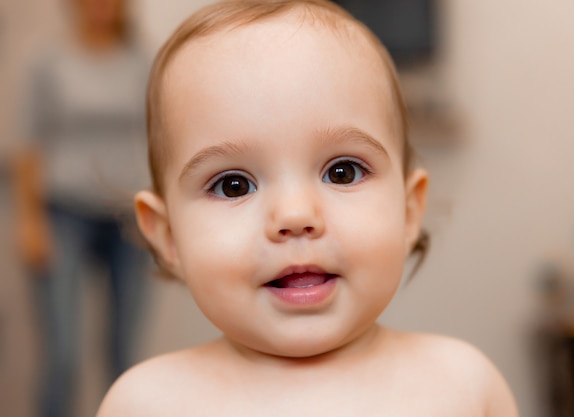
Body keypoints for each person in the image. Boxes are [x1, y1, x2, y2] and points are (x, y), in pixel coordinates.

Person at [97, 0, 519, 415]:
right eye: (233, 185)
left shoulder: (464, 388)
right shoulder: (145, 403)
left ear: (408, 211)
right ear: (168, 236)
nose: (295, 216)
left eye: (342, 173)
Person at [13, 0, 150, 416]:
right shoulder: (47, 62)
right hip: (63, 214)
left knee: (124, 352)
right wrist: (30, 222)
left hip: (128, 217)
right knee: (64, 353)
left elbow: (161, 137)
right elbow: (28, 147)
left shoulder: (144, 62)